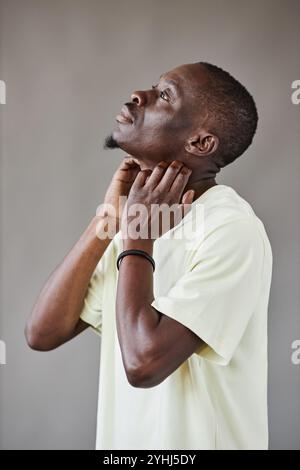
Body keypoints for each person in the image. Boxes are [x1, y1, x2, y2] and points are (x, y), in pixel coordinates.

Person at [25, 62, 273, 450]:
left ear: (200, 143)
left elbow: (144, 365)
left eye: (165, 96)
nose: (140, 95)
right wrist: (108, 222)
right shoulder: (136, 223)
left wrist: (138, 238)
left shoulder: (231, 229)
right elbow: (43, 333)